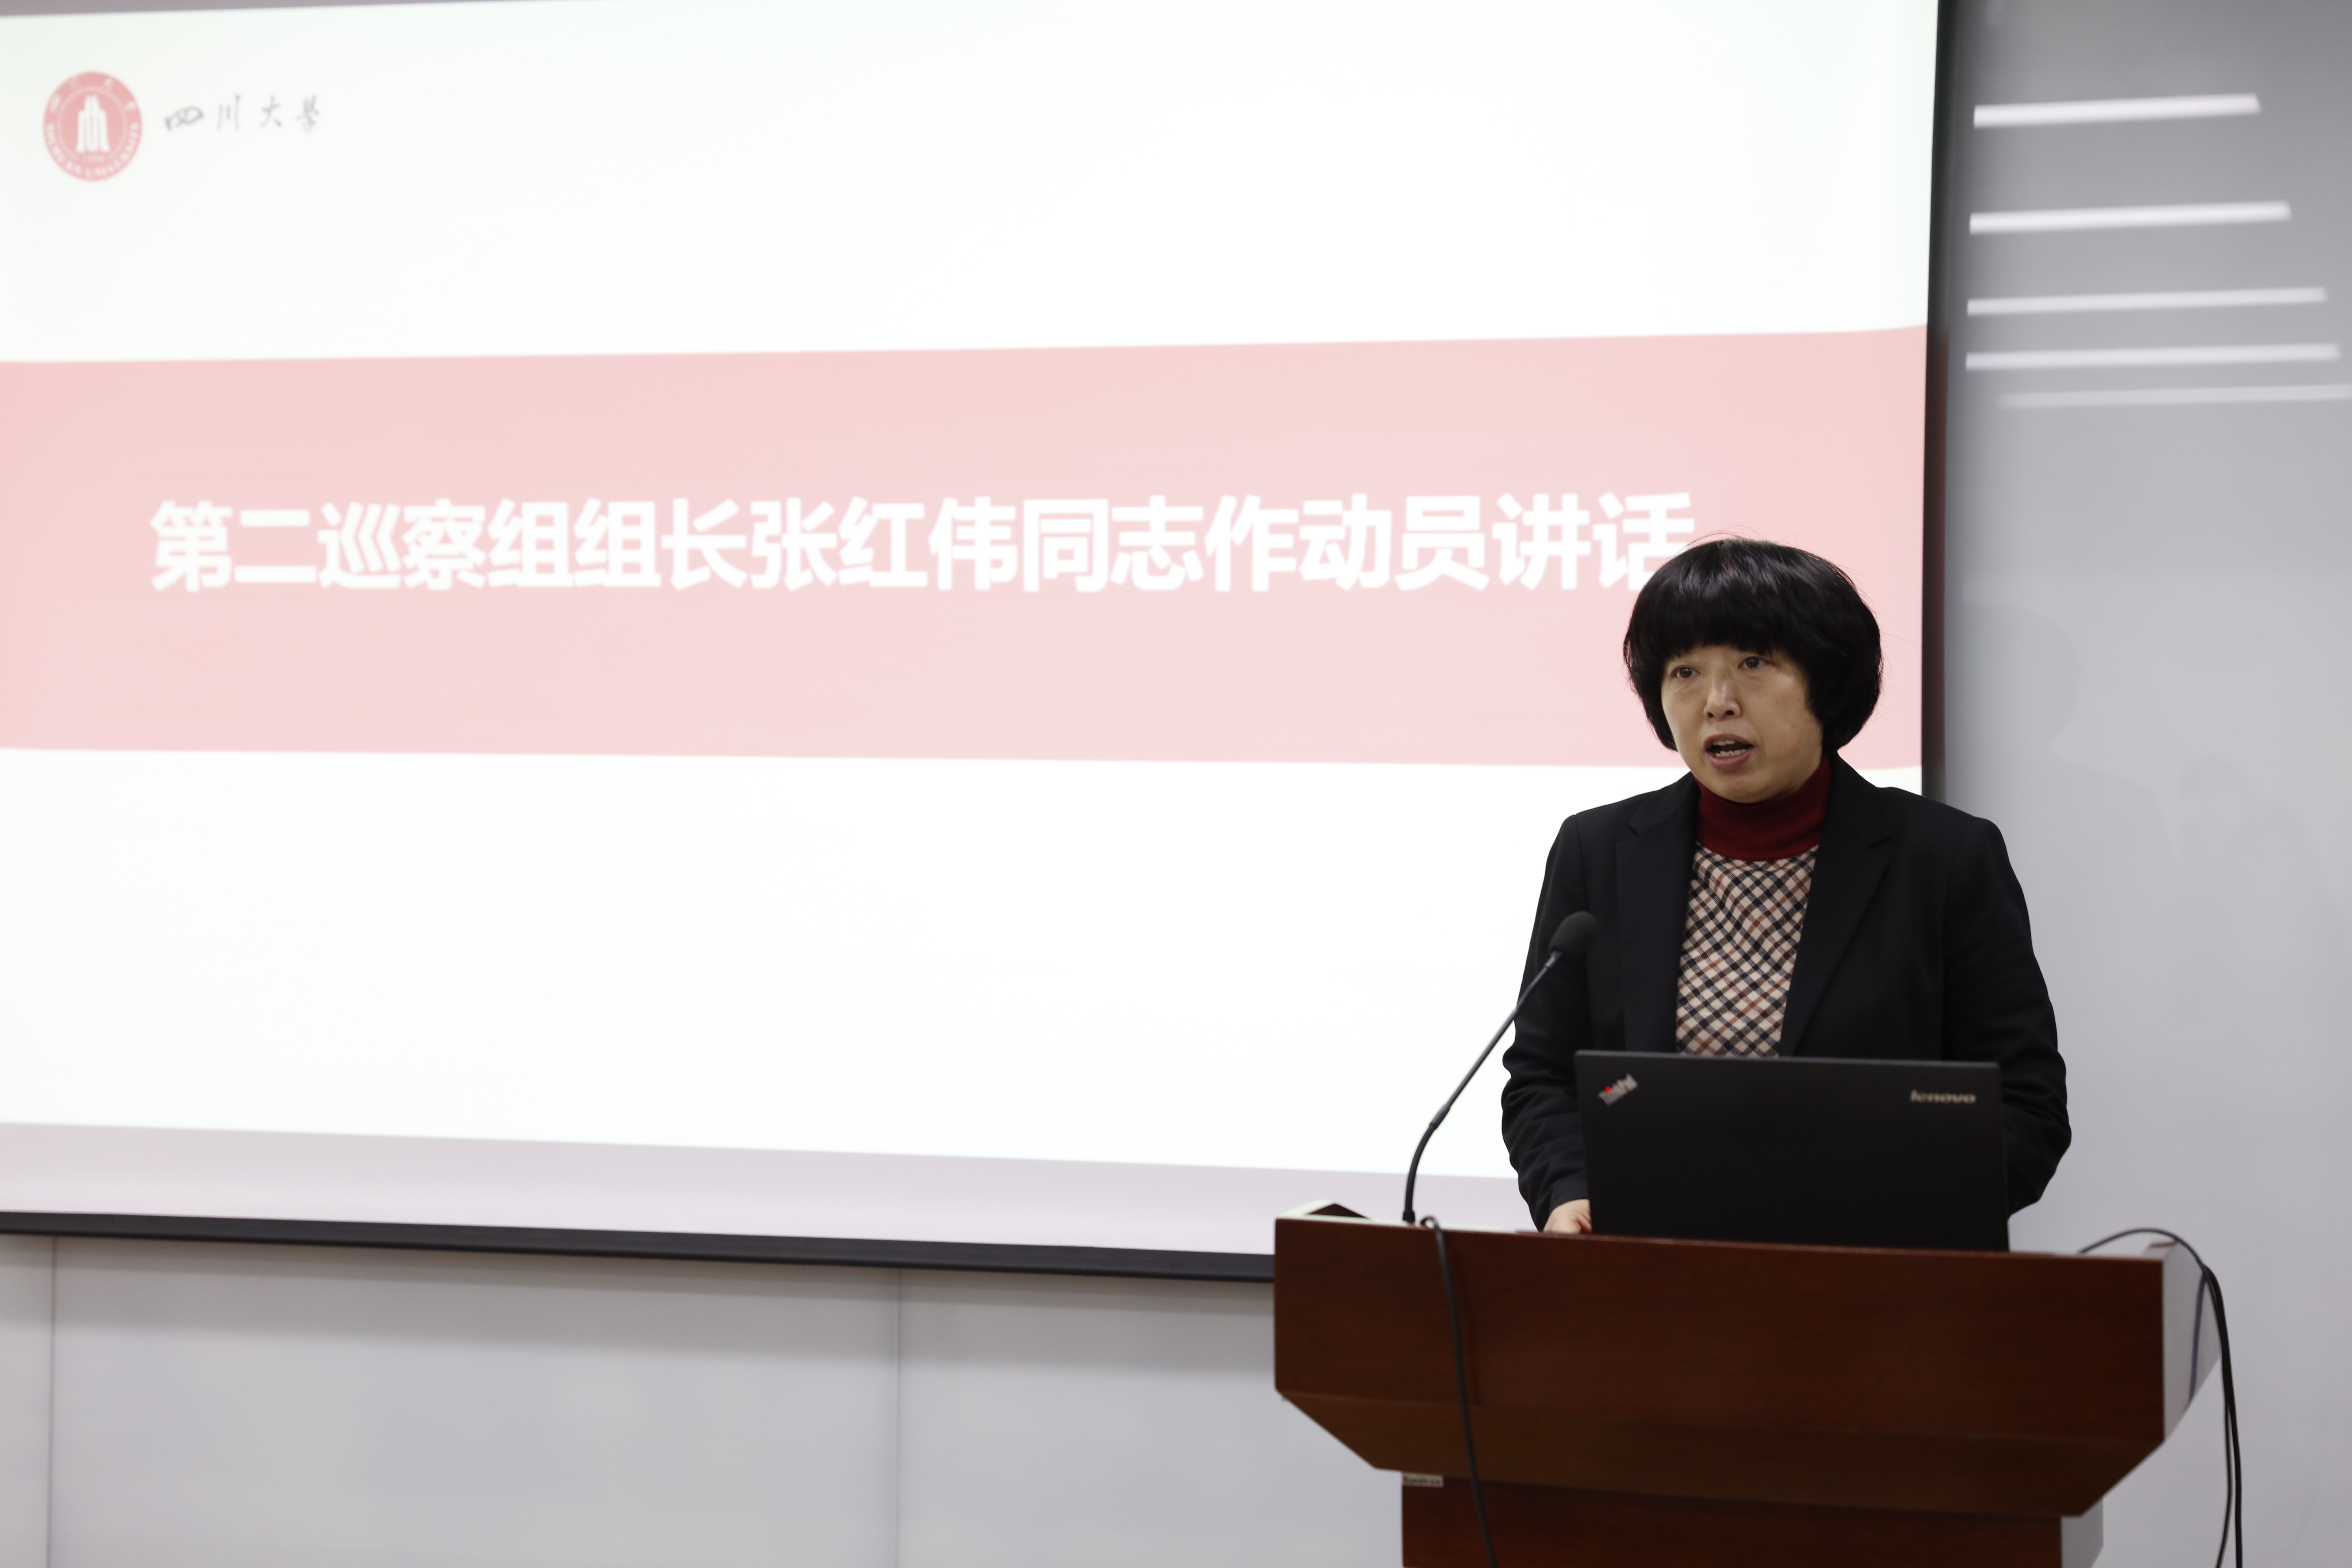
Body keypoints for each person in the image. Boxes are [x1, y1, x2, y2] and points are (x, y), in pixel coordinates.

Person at [1500, 539, 2069, 1233]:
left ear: (1826, 682)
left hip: (1880, 1276)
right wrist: (1569, 1191)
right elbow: (1543, 1076)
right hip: (1650, 1269)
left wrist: (1889, 1216)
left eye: (1753, 663)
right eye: (1685, 672)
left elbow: (2026, 1105)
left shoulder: (1945, 858)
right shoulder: (1596, 851)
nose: (1717, 703)